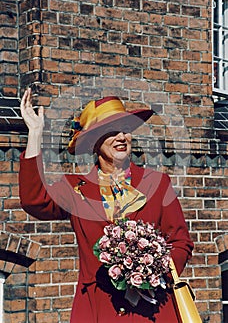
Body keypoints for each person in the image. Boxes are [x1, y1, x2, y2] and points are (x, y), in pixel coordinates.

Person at [19, 89, 194, 322]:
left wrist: (153, 272)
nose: (121, 137)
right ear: (93, 142)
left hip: (152, 311)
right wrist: (35, 133)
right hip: (98, 309)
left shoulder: (157, 183)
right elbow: (34, 201)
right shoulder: (75, 188)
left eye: (126, 130)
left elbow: (180, 241)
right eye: (111, 132)